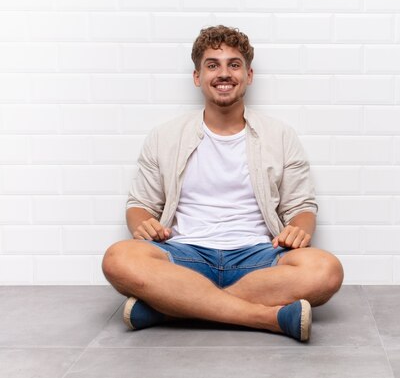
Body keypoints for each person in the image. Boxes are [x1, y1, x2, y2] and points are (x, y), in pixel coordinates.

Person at [101, 25, 344, 342]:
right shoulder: (164, 136)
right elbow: (140, 205)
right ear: (197, 77)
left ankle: (171, 307)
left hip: (258, 257)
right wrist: (143, 223)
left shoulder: (280, 136)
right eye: (212, 64)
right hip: (184, 255)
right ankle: (265, 317)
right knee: (117, 258)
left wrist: (299, 227)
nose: (224, 73)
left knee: (327, 270)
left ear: (249, 75)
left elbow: (302, 207)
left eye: (234, 64)